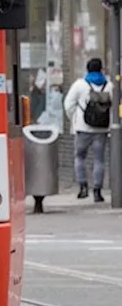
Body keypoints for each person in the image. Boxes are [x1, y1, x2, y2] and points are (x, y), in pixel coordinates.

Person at [64, 57, 113, 202]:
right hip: (102, 129)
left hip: (82, 128)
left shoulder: (80, 85)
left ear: (87, 69)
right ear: (101, 69)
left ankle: (83, 187)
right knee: (99, 160)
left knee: (80, 157)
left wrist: (74, 119)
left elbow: (68, 104)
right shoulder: (109, 85)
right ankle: (97, 191)